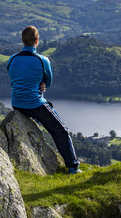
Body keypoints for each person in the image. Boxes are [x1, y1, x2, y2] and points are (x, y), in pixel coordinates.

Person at [7, 26, 81, 174]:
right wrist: (40, 84)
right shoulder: (42, 60)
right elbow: (48, 82)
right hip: (34, 104)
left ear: (22, 40)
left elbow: (15, 79)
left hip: (16, 103)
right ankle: (73, 167)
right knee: (61, 131)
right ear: (37, 40)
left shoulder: (12, 59)